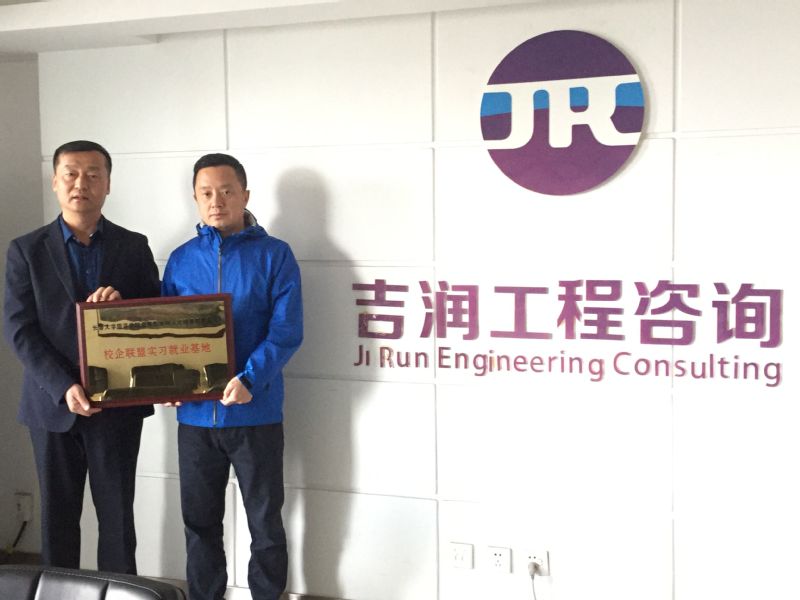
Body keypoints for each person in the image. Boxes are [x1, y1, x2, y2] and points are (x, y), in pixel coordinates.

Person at [3, 140, 161, 573]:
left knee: (117, 519)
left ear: (108, 184)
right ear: (55, 182)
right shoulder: (26, 250)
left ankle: (119, 593)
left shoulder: (133, 246)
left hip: (118, 403)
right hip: (51, 404)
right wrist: (64, 385)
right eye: (71, 174)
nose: (81, 183)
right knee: (57, 520)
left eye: (93, 174)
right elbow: (19, 329)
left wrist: (124, 305)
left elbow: (155, 316)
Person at [161, 153, 303, 600]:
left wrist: (250, 379)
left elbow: (286, 330)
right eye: (206, 193)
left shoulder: (275, 255)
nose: (216, 201)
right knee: (199, 523)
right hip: (195, 420)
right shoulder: (181, 260)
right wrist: (168, 383)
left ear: (245, 195)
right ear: (195, 198)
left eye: (226, 191)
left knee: (265, 522)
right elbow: (166, 332)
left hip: (255, 412)